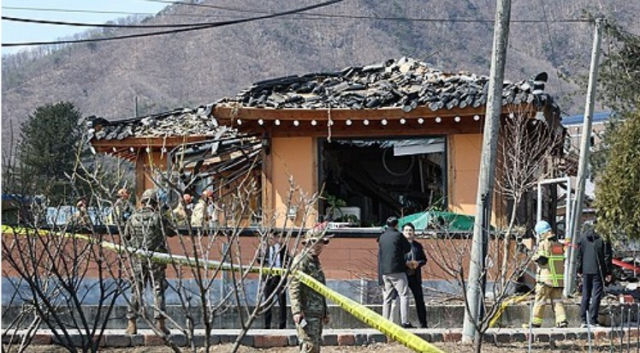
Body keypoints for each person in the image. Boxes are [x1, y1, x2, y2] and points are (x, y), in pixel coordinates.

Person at [124, 189, 172, 335]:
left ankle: (131, 324)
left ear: (143, 202)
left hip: (138, 259)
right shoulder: (158, 217)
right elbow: (171, 232)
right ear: (156, 203)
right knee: (158, 289)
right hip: (156, 259)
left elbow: (126, 235)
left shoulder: (132, 218)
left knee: (137, 290)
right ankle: (160, 324)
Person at [289, 224, 332, 353]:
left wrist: (325, 311)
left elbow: (320, 289)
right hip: (306, 313)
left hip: (317, 313)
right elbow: (294, 286)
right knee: (309, 346)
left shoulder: (315, 261)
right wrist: (297, 310)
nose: (318, 247)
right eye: (315, 243)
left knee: (315, 346)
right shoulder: (301, 261)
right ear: (307, 243)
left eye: (321, 244)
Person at [524, 220, 568, 328]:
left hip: (546, 280)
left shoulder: (544, 243)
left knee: (540, 301)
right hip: (558, 281)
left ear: (541, 233)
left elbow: (542, 259)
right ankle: (562, 321)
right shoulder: (558, 244)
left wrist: (532, 255)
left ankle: (535, 323)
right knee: (557, 301)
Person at [378, 216, 413, 328]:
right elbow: (407, 248)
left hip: (385, 271)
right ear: (396, 225)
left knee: (387, 298)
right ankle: (405, 321)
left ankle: (384, 321)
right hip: (397, 270)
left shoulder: (382, 237)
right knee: (404, 295)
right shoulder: (398, 235)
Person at [577, 227, 613, 328]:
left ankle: (583, 320)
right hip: (598, 270)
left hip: (586, 270)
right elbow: (607, 256)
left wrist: (579, 270)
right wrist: (608, 272)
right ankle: (593, 320)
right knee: (596, 295)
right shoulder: (603, 239)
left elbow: (579, 255)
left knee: (585, 295)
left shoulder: (583, 238)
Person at [261, 235, 291, 329]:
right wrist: (261, 253)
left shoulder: (282, 247)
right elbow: (259, 261)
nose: (271, 240)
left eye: (272, 238)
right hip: (268, 277)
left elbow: (288, 260)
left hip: (280, 277)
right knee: (267, 301)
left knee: (282, 302)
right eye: (269, 238)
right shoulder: (265, 248)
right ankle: (267, 325)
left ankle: (282, 325)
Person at [402, 223, 429, 328]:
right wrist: (405, 264)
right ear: (403, 232)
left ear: (413, 232)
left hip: (415, 276)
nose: (409, 232)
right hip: (403, 275)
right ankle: (404, 322)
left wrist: (418, 263)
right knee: (403, 299)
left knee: (419, 300)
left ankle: (423, 323)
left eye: (410, 230)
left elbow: (424, 259)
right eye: (406, 230)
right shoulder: (400, 245)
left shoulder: (417, 245)